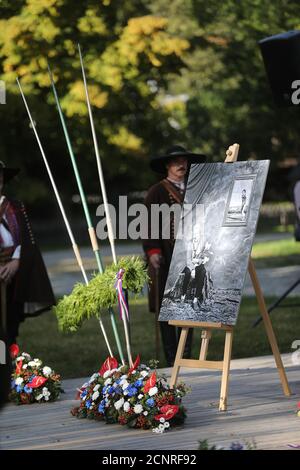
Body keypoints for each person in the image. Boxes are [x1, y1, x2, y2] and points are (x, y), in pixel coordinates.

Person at [143, 145, 206, 366]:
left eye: (184, 161)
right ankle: (172, 359)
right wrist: (153, 251)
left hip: (192, 255)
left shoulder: (195, 188)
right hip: (166, 256)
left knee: (189, 304)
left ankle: (186, 357)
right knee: (167, 308)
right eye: (177, 161)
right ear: (167, 166)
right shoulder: (157, 192)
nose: (182, 165)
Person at [0, 161, 55, 345]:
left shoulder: (14, 206)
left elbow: (26, 237)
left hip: (13, 273)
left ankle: (7, 365)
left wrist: (16, 261)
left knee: (10, 325)